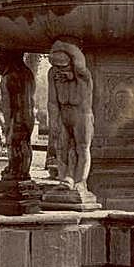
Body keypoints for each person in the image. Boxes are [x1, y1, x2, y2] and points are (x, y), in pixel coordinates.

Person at [47, 39, 95, 192]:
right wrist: (53, 121)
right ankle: (64, 179)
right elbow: (52, 101)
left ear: (72, 64)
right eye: (56, 67)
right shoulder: (53, 74)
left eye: (63, 66)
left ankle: (81, 181)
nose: (59, 70)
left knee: (82, 148)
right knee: (61, 147)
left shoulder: (82, 75)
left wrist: (61, 45)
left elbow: (79, 60)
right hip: (64, 115)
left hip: (81, 115)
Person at [0, 49, 35, 182]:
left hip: (16, 116)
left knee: (13, 143)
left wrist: (7, 124)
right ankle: (24, 171)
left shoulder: (8, 78)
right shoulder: (28, 74)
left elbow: (7, 105)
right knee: (25, 143)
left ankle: (15, 170)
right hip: (28, 117)